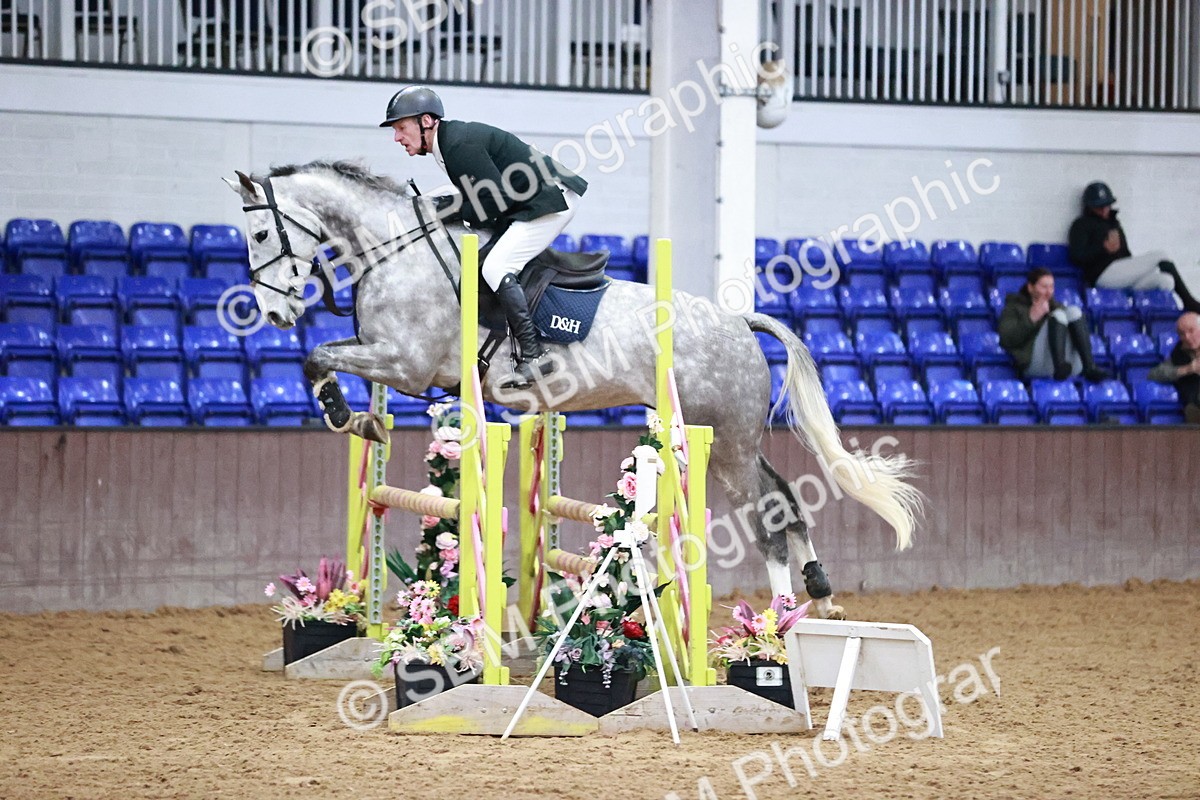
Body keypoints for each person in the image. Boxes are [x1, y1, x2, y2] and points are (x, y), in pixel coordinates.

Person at [380, 85, 589, 389]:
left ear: (426, 121)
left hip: (550, 201)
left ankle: (534, 355)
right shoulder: (448, 143)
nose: (397, 137)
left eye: (401, 128)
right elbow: (475, 195)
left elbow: (493, 202)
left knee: (496, 266)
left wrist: (447, 211)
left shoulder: (458, 145)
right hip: (527, 198)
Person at [1067, 181, 1200, 313]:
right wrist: (1103, 249)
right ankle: (1189, 302)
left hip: (1122, 274)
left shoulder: (1113, 224)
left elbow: (1126, 255)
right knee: (1160, 255)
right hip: (1102, 274)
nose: (1104, 210)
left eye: (1106, 205)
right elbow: (1077, 256)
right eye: (1098, 207)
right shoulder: (1081, 225)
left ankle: (1154, 323)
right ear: (1089, 207)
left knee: (1166, 280)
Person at [998, 267, 1110, 382]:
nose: (1049, 291)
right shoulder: (1014, 307)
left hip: (1070, 365)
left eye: (1051, 287)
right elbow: (1006, 340)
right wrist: (1031, 319)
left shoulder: (1056, 306)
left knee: (1074, 311)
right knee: (1058, 315)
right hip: (1034, 363)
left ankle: (1089, 366)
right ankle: (1059, 366)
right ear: (1030, 288)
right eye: (1044, 287)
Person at [1148, 311, 1200, 423]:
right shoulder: (1178, 353)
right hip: (1195, 404)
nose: (1187, 337)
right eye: (1182, 333)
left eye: (1191, 331)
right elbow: (1154, 374)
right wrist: (1188, 369)